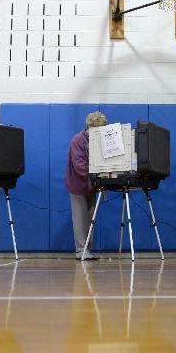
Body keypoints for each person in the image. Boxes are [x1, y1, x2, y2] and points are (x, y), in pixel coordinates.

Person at [66, 111, 107, 260]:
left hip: (91, 185)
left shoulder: (98, 140)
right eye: (97, 129)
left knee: (90, 218)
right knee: (79, 218)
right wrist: (97, 174)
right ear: (89, 126)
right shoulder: (77, 140)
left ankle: (87, 250)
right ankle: (80, 250)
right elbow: (79, 165)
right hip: (78, 185)